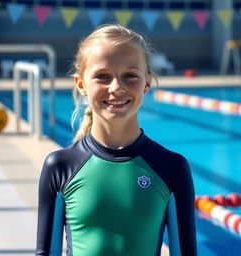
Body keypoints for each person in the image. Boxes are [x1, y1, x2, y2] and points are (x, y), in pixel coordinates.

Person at [35, 24, 197, 256]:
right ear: (81, 85)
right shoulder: (60, 166)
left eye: (130, 76)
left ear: (147, 83)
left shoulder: (171, 167)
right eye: (103, 76)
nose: (116, 88)